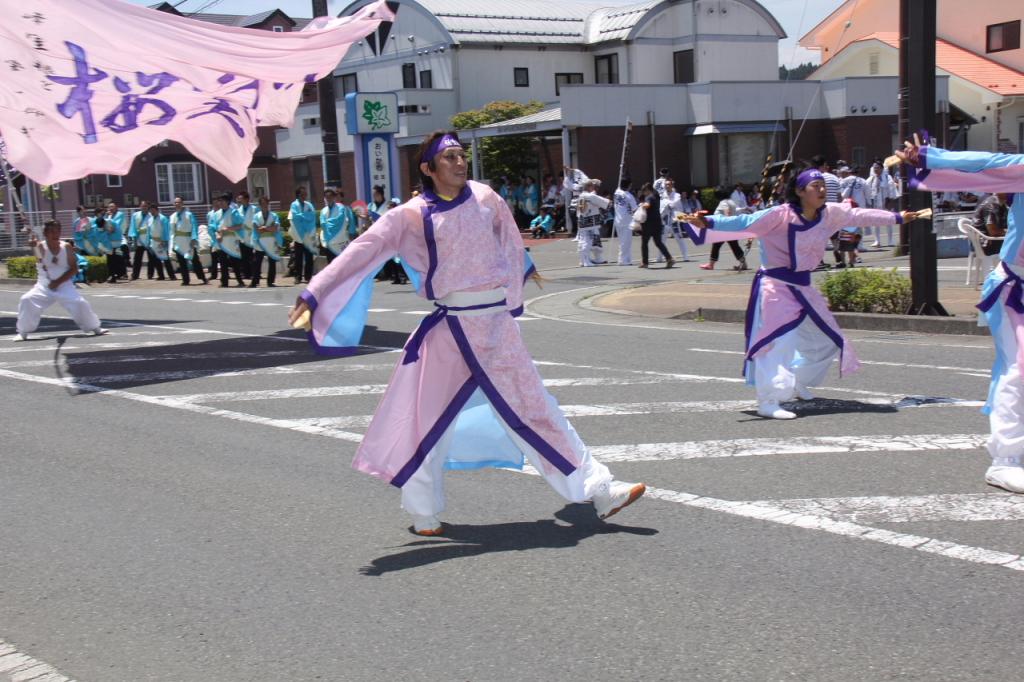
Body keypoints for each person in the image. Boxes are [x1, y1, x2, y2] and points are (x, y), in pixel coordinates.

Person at [287, 129, 645, 535]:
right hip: (451, 329)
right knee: (427, 420)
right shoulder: (410, 215)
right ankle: (422, 511)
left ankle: (601, 489)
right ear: (429, 168)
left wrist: (515, 292)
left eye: (461, 156)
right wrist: (315, 291)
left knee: (539, 409)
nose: (460, 163)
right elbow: (362, 250)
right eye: (450, 157)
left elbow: (510, 244)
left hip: (496, 328)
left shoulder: (485, 197)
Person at [681, 168, 915, 419]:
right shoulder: (780, 215)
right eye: (815, 186)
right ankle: (768, 400)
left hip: (804, 287)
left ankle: (795, 381)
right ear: (799, 191)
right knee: (778, 342)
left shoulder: (830, 214)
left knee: (826, 339)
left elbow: (860, 214)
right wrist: (707, 222)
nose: (822, 190)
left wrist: (898, 217)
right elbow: (745, 222)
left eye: (822, 185)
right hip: (775, 286)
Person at [897, 140, 1024, 493]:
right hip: (1015, 288)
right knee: (1018, 367)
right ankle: (1006, 459)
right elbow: (984, 161)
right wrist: (928, 157)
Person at [15, 220, 106, 341]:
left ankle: (95, 327)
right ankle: (23, 331)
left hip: (64, 285)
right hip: (44, 286)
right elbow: (38, 256)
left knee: (79, 303)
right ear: (45, 233)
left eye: (58, 231)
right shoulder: (40, 246)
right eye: (52, 231)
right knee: (27, 299)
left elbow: (74, 269)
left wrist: (57, 282)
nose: (55, 234)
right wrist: (33, 245)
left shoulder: (66, 247)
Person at [699, 198, 747, 271]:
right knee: (734, 245)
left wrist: (727, 221)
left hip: (723, 227)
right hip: (730, 227)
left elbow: (728, 212)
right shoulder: (731, 201)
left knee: (717, 245)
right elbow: (735, 210)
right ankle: (743, 263)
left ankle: (711, 264)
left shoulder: (723, 202)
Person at [170, 196, 208, 286]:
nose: (177, 204)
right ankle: (185, 280)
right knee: (181, 262)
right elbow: (171, 231)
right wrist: (172, 242)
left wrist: (193, 239)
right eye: (175, 202)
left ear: (182, 203)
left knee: (195, 260)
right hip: (178, 241)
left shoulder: (189, 215)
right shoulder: (172, 216)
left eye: (178, 202)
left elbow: (194, 227)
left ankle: (202, 277)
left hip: (188, 240)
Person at [637, 182, 673, 269]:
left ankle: (645, 262)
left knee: (644, 243)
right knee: (658, 242)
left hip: (649, 224)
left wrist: (642, 205)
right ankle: (669, 258)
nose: (643, 193)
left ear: (647, 190)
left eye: (644, 191)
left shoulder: (649, 197)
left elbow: (647, 205)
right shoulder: (656, 196)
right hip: (657, 223)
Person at [575, 179, 608, 267]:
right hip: (589, 222)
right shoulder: (590, 196)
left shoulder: (581, 196)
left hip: (582, 221)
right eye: (592, 186)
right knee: (587, 241)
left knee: (582, 241)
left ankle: (583, 260)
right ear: (589, 187)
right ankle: (586, 261)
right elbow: (605, 203)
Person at [251, 195, 282, 287]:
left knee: (272, 261)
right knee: (257, 261)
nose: (264, 205)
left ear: (268, 204)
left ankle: (270, 281)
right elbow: (257, 229)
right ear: (260, 205)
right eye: (262, 204)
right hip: (259, 241)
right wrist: (269, 228)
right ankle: (255, 281)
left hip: (271, 241)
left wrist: (264, 227)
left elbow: (275, 228)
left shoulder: (274, 215)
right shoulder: (256, 216)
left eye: (266, 203)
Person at [866, 161, 898, 247]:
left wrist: (891, 201)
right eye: (874, 168)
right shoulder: (871, 179)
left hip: (886, 202)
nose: (875, 169)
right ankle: (877, 240)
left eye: (877, 167)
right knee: (875, 222)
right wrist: (869, 202)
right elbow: (867, 189)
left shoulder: (887, 177)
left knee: (889, 221)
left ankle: (890, 240)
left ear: (882, 168)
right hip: (876, 203)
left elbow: (892, 189)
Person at [288, 186, 317, 284]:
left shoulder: (309, 205)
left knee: (309, 257)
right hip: (298, 235)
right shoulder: (294, 205)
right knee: (298, 258)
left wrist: (302, 216)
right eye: (302, 194)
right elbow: (295, 217)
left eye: (305, 194)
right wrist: (305, 216)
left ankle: (308, 277)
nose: (304, 196)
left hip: (307, 235)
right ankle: (298, 277)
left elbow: (312, 216)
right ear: (298, 195)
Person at [319, 188, 353, 263]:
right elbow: (322, 224)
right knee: (331, 265)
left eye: (330, 196)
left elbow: (339, 220)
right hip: (329, 242)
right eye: (326, 197)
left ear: (334, 197)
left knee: (341, 264)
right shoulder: (323, 211)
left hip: (340, 242)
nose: (328, 199)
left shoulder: (341, 208)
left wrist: (327, 223)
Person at [145, 203, 176, 281]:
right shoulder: (150, 219)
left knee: (165, 259)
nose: (152, 212)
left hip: (161, 241)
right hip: (153, 241)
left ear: (157, 210)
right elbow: (148, 231)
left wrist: (164, 241)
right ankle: (161, 275)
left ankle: (172, 275)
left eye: (153, 210)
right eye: (151, 211)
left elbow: (166, 230)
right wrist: (148, 241)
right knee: (156, 260)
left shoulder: (163, 218)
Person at [660, 179, 690, 262]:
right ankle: (660, 257)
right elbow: (662, 206)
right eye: (666, 184)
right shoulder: (663, 195)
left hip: (674, 219)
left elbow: (673, 204)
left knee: (679, 238)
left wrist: (667, 203)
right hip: (665, 219)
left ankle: (685, 256)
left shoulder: (677, 195)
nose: (667, 186)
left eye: (669, 184)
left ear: (672, 185)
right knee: (662, 239)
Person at [973, 192, 1009, 258]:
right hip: (987, 244)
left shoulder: (1002, 204)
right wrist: (1009, 232)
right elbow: (993, 231)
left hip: (995, 240)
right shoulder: (991, 205)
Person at [613, 178, 638, 265]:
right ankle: (622, 260)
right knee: (626, 242)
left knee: (623, 241)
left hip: (618, 220)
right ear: (629, 186)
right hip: (626, 221)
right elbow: (635, 209)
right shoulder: (629, 196)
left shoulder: (616, 192)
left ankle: (627, 259)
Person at [235, 191, 258, 279]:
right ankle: (246, 273)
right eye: (240, 199)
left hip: (252, 233)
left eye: (242, 199)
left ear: (247, 199)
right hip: (242, 234)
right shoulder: (239, 210)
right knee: (243, 255)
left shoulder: (254, 209)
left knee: (252, 256)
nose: (240, 201)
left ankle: (254, 273)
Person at [106, 202, 129, 269]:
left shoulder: (120, 215)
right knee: (112, 257)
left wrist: (109, 218)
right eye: (109, 207)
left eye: (112, 207)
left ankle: (123, 272)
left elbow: (116, 225)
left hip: (119, 237)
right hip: (110, 239)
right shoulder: (108, 216)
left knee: (120, 255)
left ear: (116, 208)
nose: (111, 208)